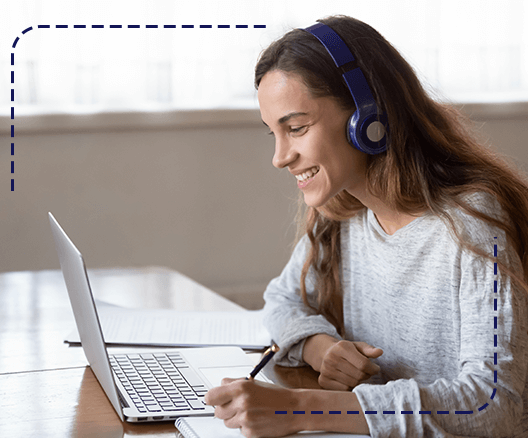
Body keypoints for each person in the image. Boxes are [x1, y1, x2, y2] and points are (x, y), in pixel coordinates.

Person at [204, 14, 528, 437]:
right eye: (274, 134)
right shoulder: (342, 209)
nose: (281, 157)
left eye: (296, 128)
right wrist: (323, 349)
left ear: (368, 116)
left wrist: (302, 409)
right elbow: (283, 300)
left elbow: (490, 404)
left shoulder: (474, 224)